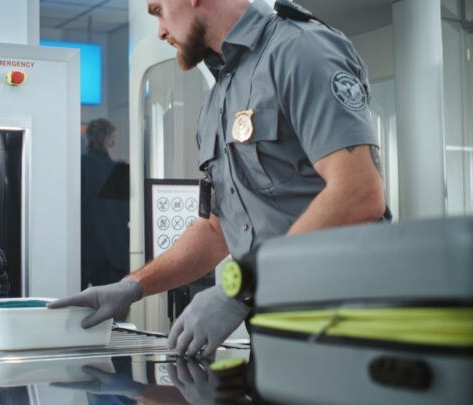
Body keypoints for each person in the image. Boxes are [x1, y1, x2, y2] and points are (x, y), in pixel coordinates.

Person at [49, 0, 390, 359]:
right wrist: (133, 286)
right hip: (279, 330)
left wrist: (239, 291)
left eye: (158, 10)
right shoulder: (219, 98)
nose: (161, 31)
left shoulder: (300, 50)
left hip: (349, 325)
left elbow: (358, 194)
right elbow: (216, 229)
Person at [80, 118, 130, 289]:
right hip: (113, 255)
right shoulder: (120, 172)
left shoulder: (78, 166)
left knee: (73, 308)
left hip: (83, 252)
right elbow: (126, 215)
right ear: (110, 141)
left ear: (87, 139)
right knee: (111, 311)